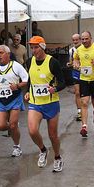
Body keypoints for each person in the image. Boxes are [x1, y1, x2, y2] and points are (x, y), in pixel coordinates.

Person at [25, 36, 66, 172]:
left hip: (51, 102)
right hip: (35, 103)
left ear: (42, 47)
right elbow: (31, 79)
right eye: (32, 48)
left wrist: (54, 88)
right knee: (32, 130)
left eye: (36, 47)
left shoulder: (52, 62)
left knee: (53, 135)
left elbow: (62, 82)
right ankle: (43, 150)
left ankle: (58, 157)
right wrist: (27, 91)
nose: (34, 50)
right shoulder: (29, 61)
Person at [0, 45, 28, 157]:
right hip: (1, 99)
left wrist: (17, 85)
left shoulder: (16, 66)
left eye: (1, 53)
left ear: (8, 54)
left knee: (13, 125)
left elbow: (25, 80)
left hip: (15, 98)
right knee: (0, 126)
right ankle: (13, 126)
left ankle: (17, 146)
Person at [67, 33, 82, 121]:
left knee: (84, 94)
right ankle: (79, 111)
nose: (75, 41)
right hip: (76, 73)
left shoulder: (84, 49)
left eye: (77, 40)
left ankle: (84, 108)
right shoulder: (71, 50)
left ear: (80, 40)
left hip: (85, 74)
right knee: (77, 93)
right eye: (74, 40)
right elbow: (71, 62)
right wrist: (69, 64)